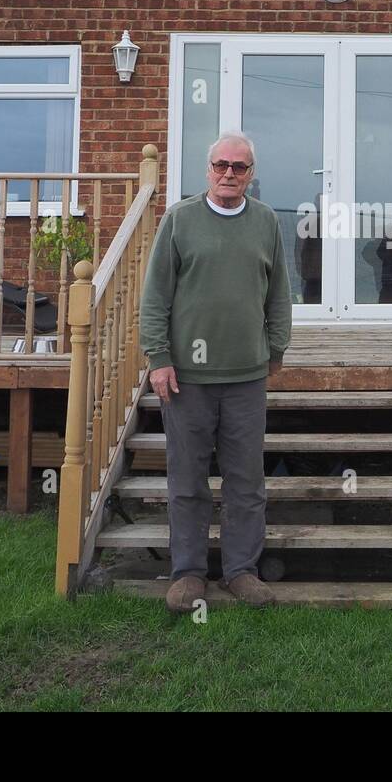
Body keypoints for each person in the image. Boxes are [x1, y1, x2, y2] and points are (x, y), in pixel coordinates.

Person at [139, 131, 293, 612]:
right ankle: (188, 573)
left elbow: (279, 293)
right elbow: (155, 295)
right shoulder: (180, 220)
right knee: (187, 480)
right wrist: (158, 358)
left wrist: (275, 348)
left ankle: (241, 571)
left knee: (246, 480)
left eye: (240, 167)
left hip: (246, 376)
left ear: (251, 174)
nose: (230, 174)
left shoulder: (266, 222)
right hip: (187, 378)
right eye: (222, 165)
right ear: (208, 170)